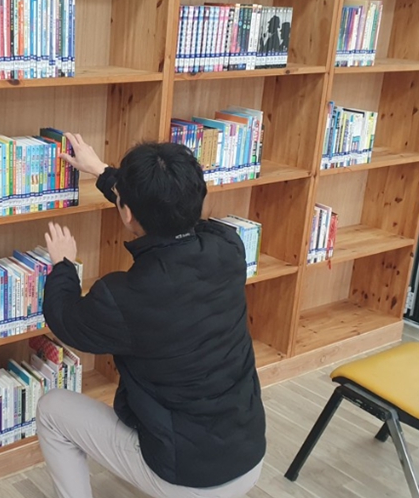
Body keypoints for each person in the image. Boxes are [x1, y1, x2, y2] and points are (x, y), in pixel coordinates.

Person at [37, 134, 266, 498]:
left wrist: (63, 265)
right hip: (248, 455)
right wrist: (102, 172)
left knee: (52, 410)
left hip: (186, 475)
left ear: (127, 213)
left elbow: (64, 319)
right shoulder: (228, 246)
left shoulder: (124, 296)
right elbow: (173, 210)